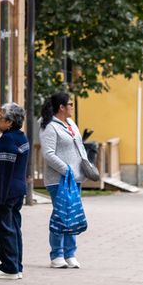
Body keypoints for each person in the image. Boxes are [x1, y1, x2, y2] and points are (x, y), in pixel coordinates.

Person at [40, 90, 99, 268]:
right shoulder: (49, 127)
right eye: (70, 104)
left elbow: (79, 146)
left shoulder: (71, 123)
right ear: (62, 107)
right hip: (59, 179)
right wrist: (66, 169)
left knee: (72, 214)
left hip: (75, 178)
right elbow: (48, 154)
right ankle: (56, 255)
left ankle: (70, 253)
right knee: (61, 215)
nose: (72, 106)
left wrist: (87, 165)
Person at [0, 102, 30, 279]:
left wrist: (0, 196)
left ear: (10, 122)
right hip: (16, 190)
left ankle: (9, 267)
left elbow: (5, 170)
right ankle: (16, 265)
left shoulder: (8, 140)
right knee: (14, 227)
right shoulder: (20, 137)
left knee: (4, 228)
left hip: (4, 192)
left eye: (1, 118)